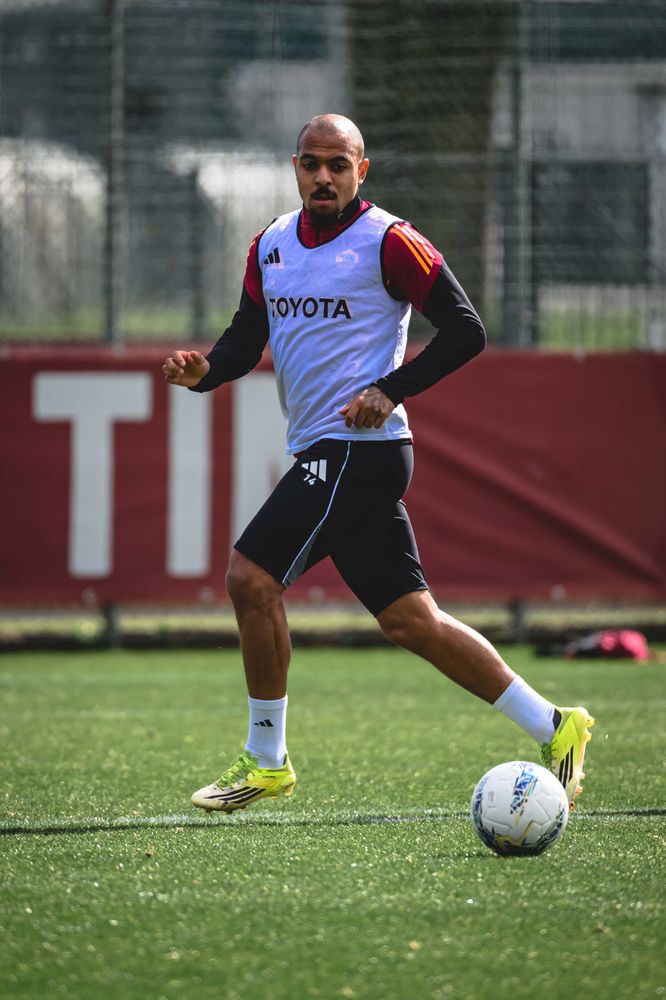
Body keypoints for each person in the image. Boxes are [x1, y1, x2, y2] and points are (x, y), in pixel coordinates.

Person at [162, 114, 593, 814]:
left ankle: (267, 760)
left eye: (339, 164)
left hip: (361, 451)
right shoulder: (270, 244)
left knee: (250, 578)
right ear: (295, 168)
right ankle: (554, 725)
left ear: (362, 170)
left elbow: (466, 329)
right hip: (330, 451)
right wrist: (205, 371)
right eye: (311, 163)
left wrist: (390, 389)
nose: (323, 176)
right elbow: (246, 338)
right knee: (412, 622)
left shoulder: (390, 240)